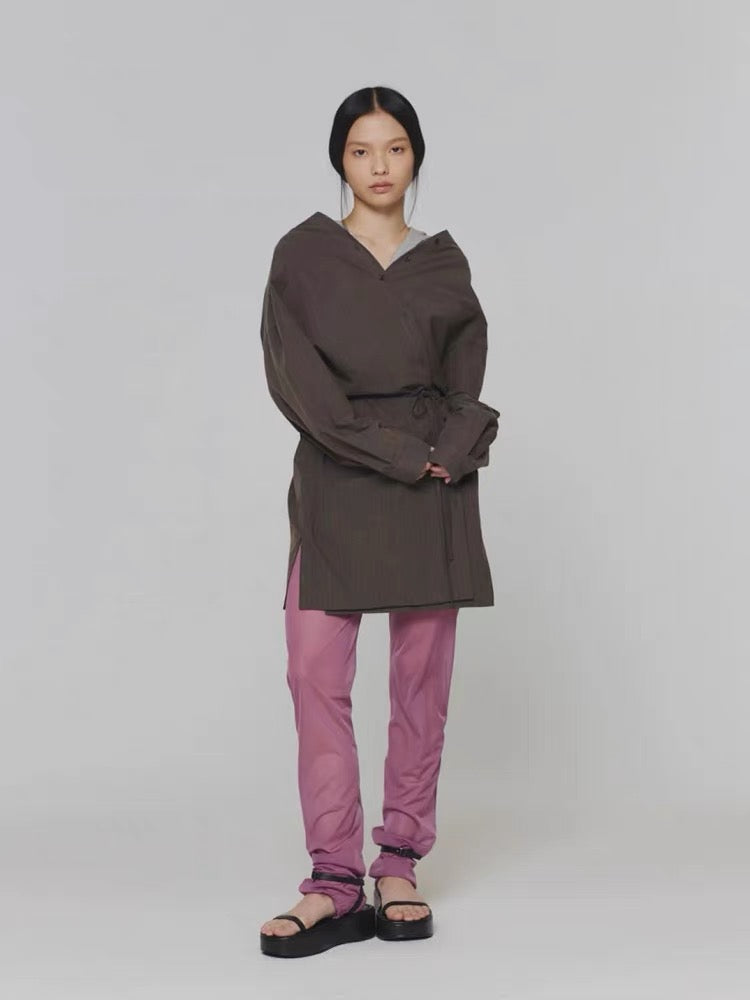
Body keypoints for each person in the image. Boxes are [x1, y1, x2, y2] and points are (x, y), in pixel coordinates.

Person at [259, 85, 500, 958]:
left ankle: (398, 862)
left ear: (415, 156)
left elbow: (465, 379)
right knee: (313, 671)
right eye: (361, 150)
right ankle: (332, 879)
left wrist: (447, 452)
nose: (379, 166)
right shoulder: (303, 255)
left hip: (431, 480)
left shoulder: (442, 261)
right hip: (341, 475)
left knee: (420, 681)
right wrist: (395, 453)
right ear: (340, 160)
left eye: (395, 148)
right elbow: (299, 385)